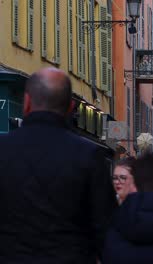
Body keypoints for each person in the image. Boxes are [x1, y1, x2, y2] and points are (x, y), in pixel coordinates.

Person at [0, 67, 117, 263]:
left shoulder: (3, 150)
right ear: (71, 107)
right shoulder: (89, 155)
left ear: (27, 103)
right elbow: (106, 230)